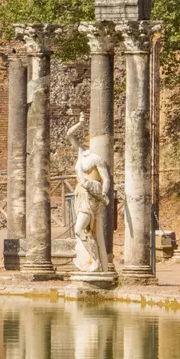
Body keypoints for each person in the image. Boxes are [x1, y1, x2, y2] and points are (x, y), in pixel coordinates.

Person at [67, 112, 112, 272]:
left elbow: (106, 179)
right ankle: (91, 262)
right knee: (85, 230)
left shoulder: (97, 159)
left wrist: (102, 195)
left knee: (79, 229)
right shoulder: (81, 153)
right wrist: (80, 123)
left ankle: (96, 261)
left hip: (91, 195)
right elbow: (69, 134)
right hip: (80, 194)